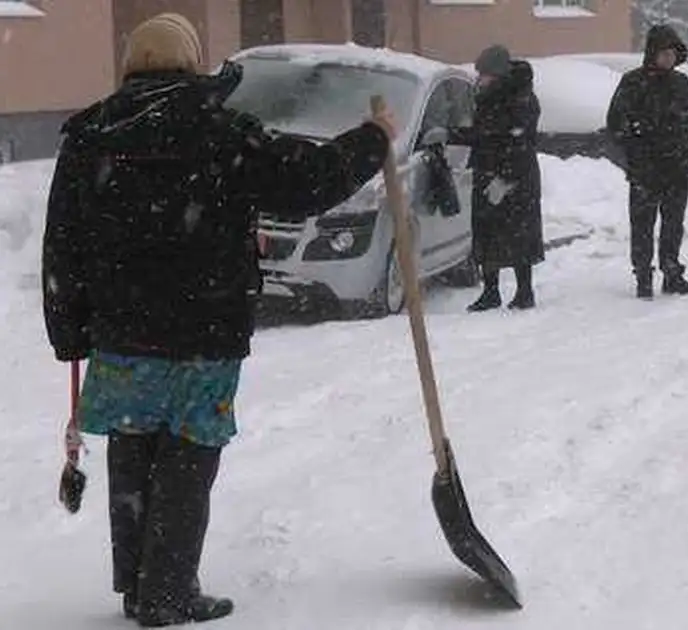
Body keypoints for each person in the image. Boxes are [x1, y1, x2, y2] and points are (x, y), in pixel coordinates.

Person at [40, 13, 396, 627]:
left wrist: (68, 328)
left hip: (123, 333)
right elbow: (304, 181)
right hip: (203, 332)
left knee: (133, 448)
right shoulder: (220, 132)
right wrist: (373, 138)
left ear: (130, 67)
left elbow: (62, 243)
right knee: (187, 454)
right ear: (192, 63)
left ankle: (137, 583)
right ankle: (168, 593)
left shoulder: (89, 136)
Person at [605, 24, 688, 300]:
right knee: (643, 225)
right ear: (652, 54)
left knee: (673, 223)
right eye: (664, 53)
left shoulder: (681, 83)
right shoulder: (633, 82)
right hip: (645, 169)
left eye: (672, 53)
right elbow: (616, 123)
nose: (668, 59)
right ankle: (643, 276)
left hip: (676, 168)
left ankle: (672, 273)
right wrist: (634, 154)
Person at [448, 45, 544, 311]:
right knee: (487, 233)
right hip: (486, 171)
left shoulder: (521, 98)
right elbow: (483, 134)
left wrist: (506, 179)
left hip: (517, 179)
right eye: (480, 74)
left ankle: (525, 291)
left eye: (485, 74)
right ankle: (491, 292)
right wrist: (450, 134)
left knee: (519, 234)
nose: (480, 79)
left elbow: (521, 141)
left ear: (499, 74)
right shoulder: (487, 97)